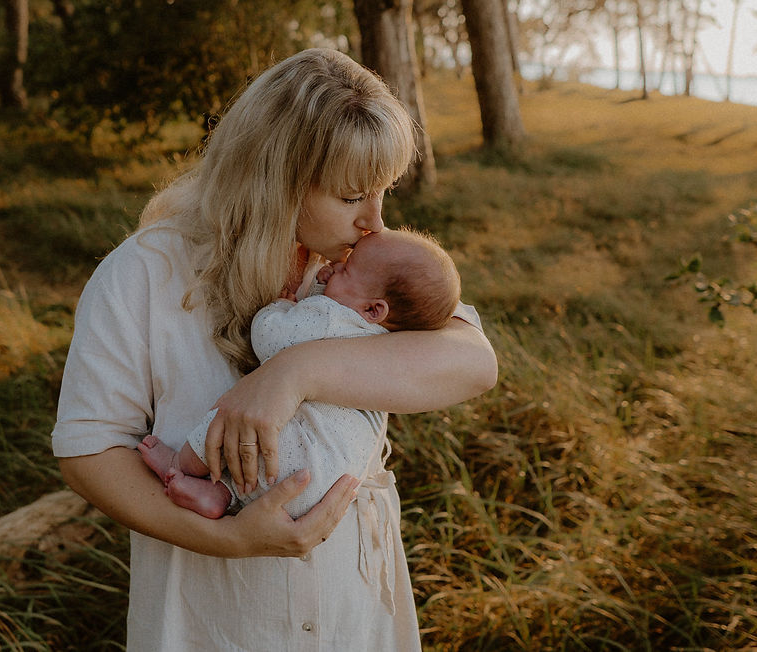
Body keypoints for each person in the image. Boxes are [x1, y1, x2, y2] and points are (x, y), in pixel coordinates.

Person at [52, 48, 497, 651]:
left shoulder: (358, 269)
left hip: (351, 603)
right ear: (275, 177)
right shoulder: (143, 273)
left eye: (383, 191)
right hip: (213, 610)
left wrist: (296, 370)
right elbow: (88, 450)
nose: (377, 221)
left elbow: (475, 362)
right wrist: (227, 540)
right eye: (351, 196)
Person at [138, 228, 463, 520]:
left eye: (345, 269)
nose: (333, 268)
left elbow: (272, 340)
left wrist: (279, 307)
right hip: (331, 480)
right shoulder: (387, 344)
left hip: (293, 458)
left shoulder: (332, 318)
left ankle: (180, 466)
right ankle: (222, 495)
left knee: (231, 415)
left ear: (374, 309)